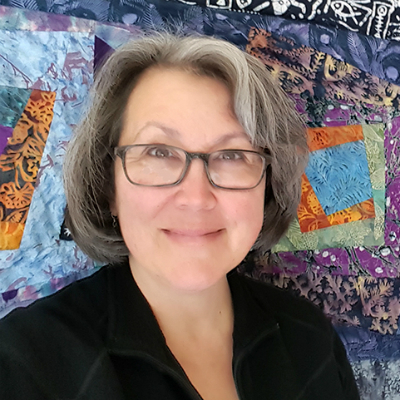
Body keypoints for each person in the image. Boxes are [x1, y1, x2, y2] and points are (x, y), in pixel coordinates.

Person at [0, 32, 360, 400]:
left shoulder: (311, 341)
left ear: (267, 187)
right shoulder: (23, 361)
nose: (196, 198)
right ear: (109, 187)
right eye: (158, 152)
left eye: (232, 155)